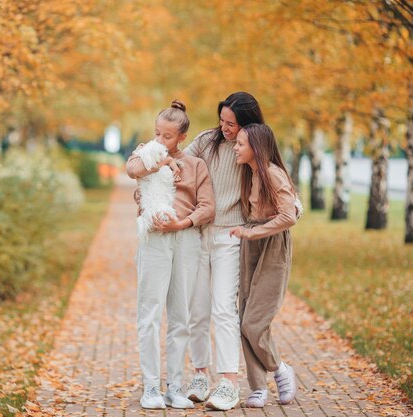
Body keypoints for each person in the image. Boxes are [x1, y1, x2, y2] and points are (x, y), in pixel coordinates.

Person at [126, 99, 215, 410]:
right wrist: (162, 160)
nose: (160, 140)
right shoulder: (148, 154)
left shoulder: (196, 166)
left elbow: (207, 207)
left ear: (182, 138)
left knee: (181, 318)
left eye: (167, 136)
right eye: (157, 133)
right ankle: (150, 387)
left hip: (186, 241)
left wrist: (182, 222)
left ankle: (174, 388)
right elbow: (131, 169)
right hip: (153, 241)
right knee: (149, 316)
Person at [184, 92, 265, 411]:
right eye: (222, 121)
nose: (225, 128)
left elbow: (276, 181)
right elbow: (179, 160)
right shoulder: (207, 141)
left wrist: (292, 208)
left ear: (248, 124)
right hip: (198, 232)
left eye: (231, 124)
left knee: (222, 308)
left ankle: (229, 383)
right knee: (198, 309)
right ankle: (200, 374)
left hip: (231, 235)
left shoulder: (253, 148)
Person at [229, 123, 298, 407]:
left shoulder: (273, 174)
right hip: (251, 246)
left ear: (256, 148)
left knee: (254, 322)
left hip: (272, 247)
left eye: (240, 144)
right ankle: (258, 387)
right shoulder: (250, 173)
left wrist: (252, 232)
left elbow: (289, 216)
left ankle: (280, 369)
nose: (235, 147)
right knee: (244, 316)